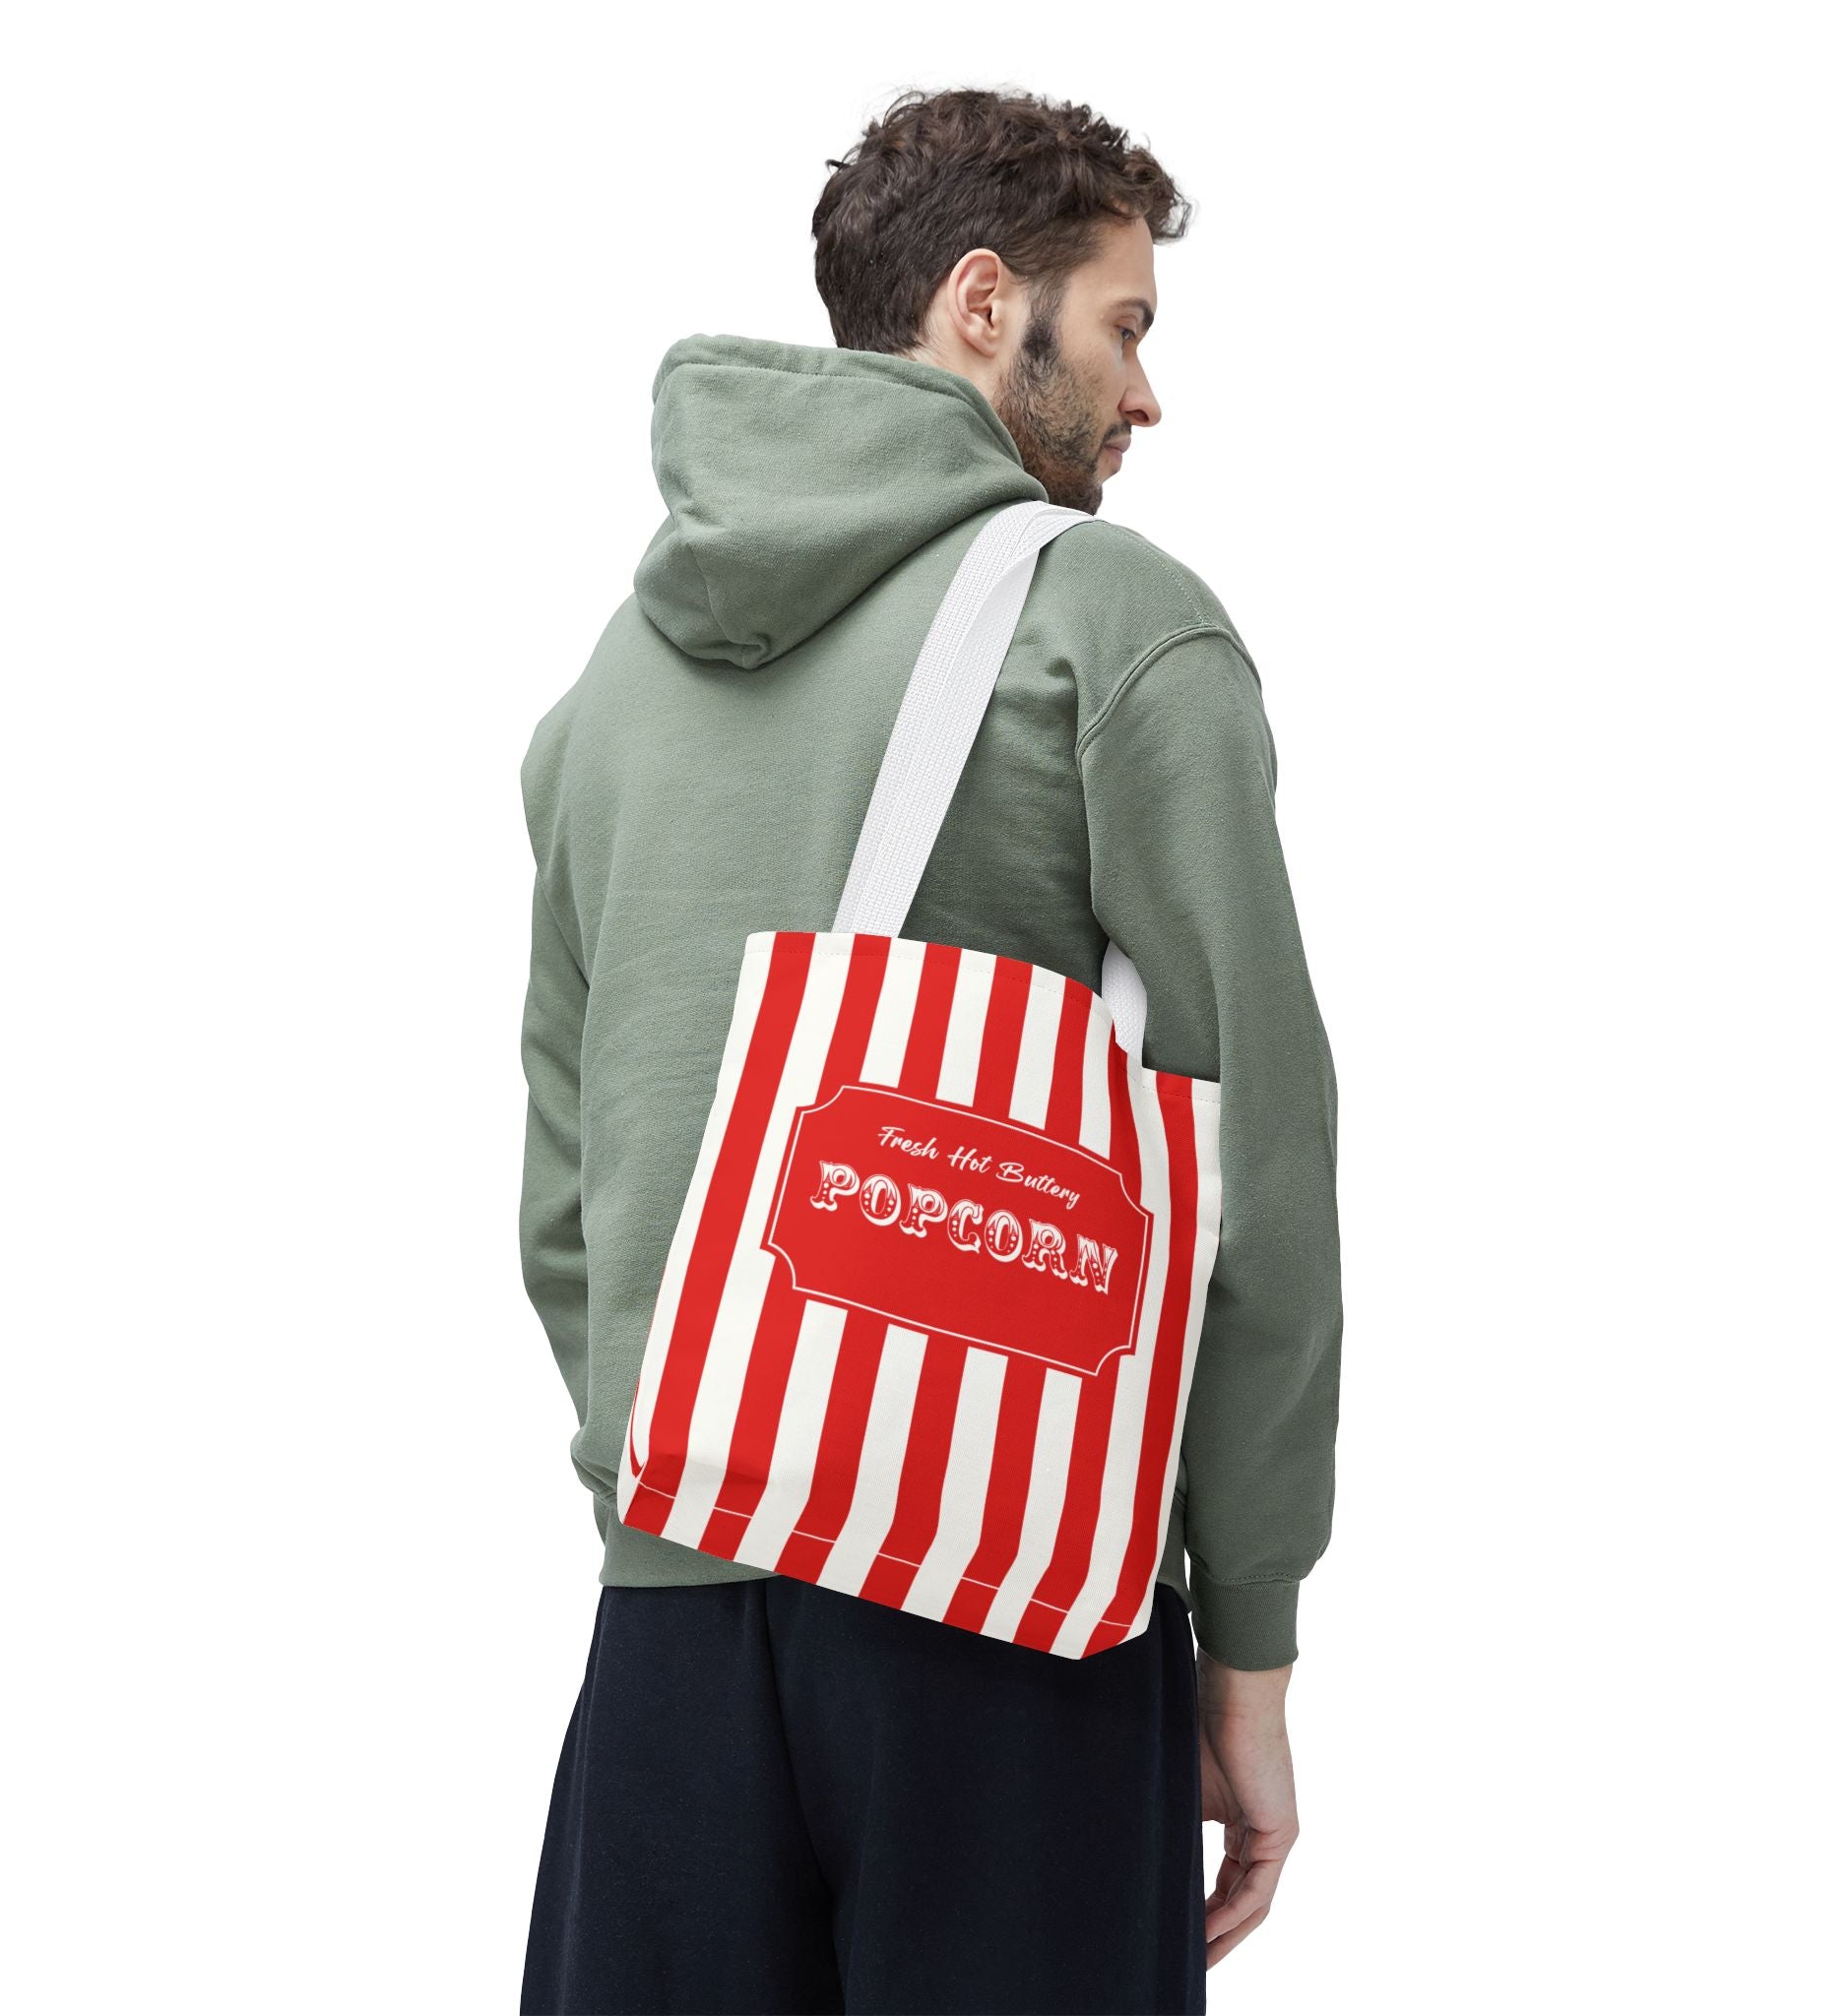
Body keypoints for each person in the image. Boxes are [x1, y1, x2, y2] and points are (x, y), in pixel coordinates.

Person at [515, 86, 1342, 2016]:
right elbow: (1258, 1176)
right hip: (1009, 1611)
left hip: (670, 1623)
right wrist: (1249, 1644)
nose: (1145, 398)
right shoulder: (1109, 626)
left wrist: (690, 1487)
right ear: (985, 303)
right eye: (1123, 326)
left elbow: (567, 1190)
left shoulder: (607, 690)